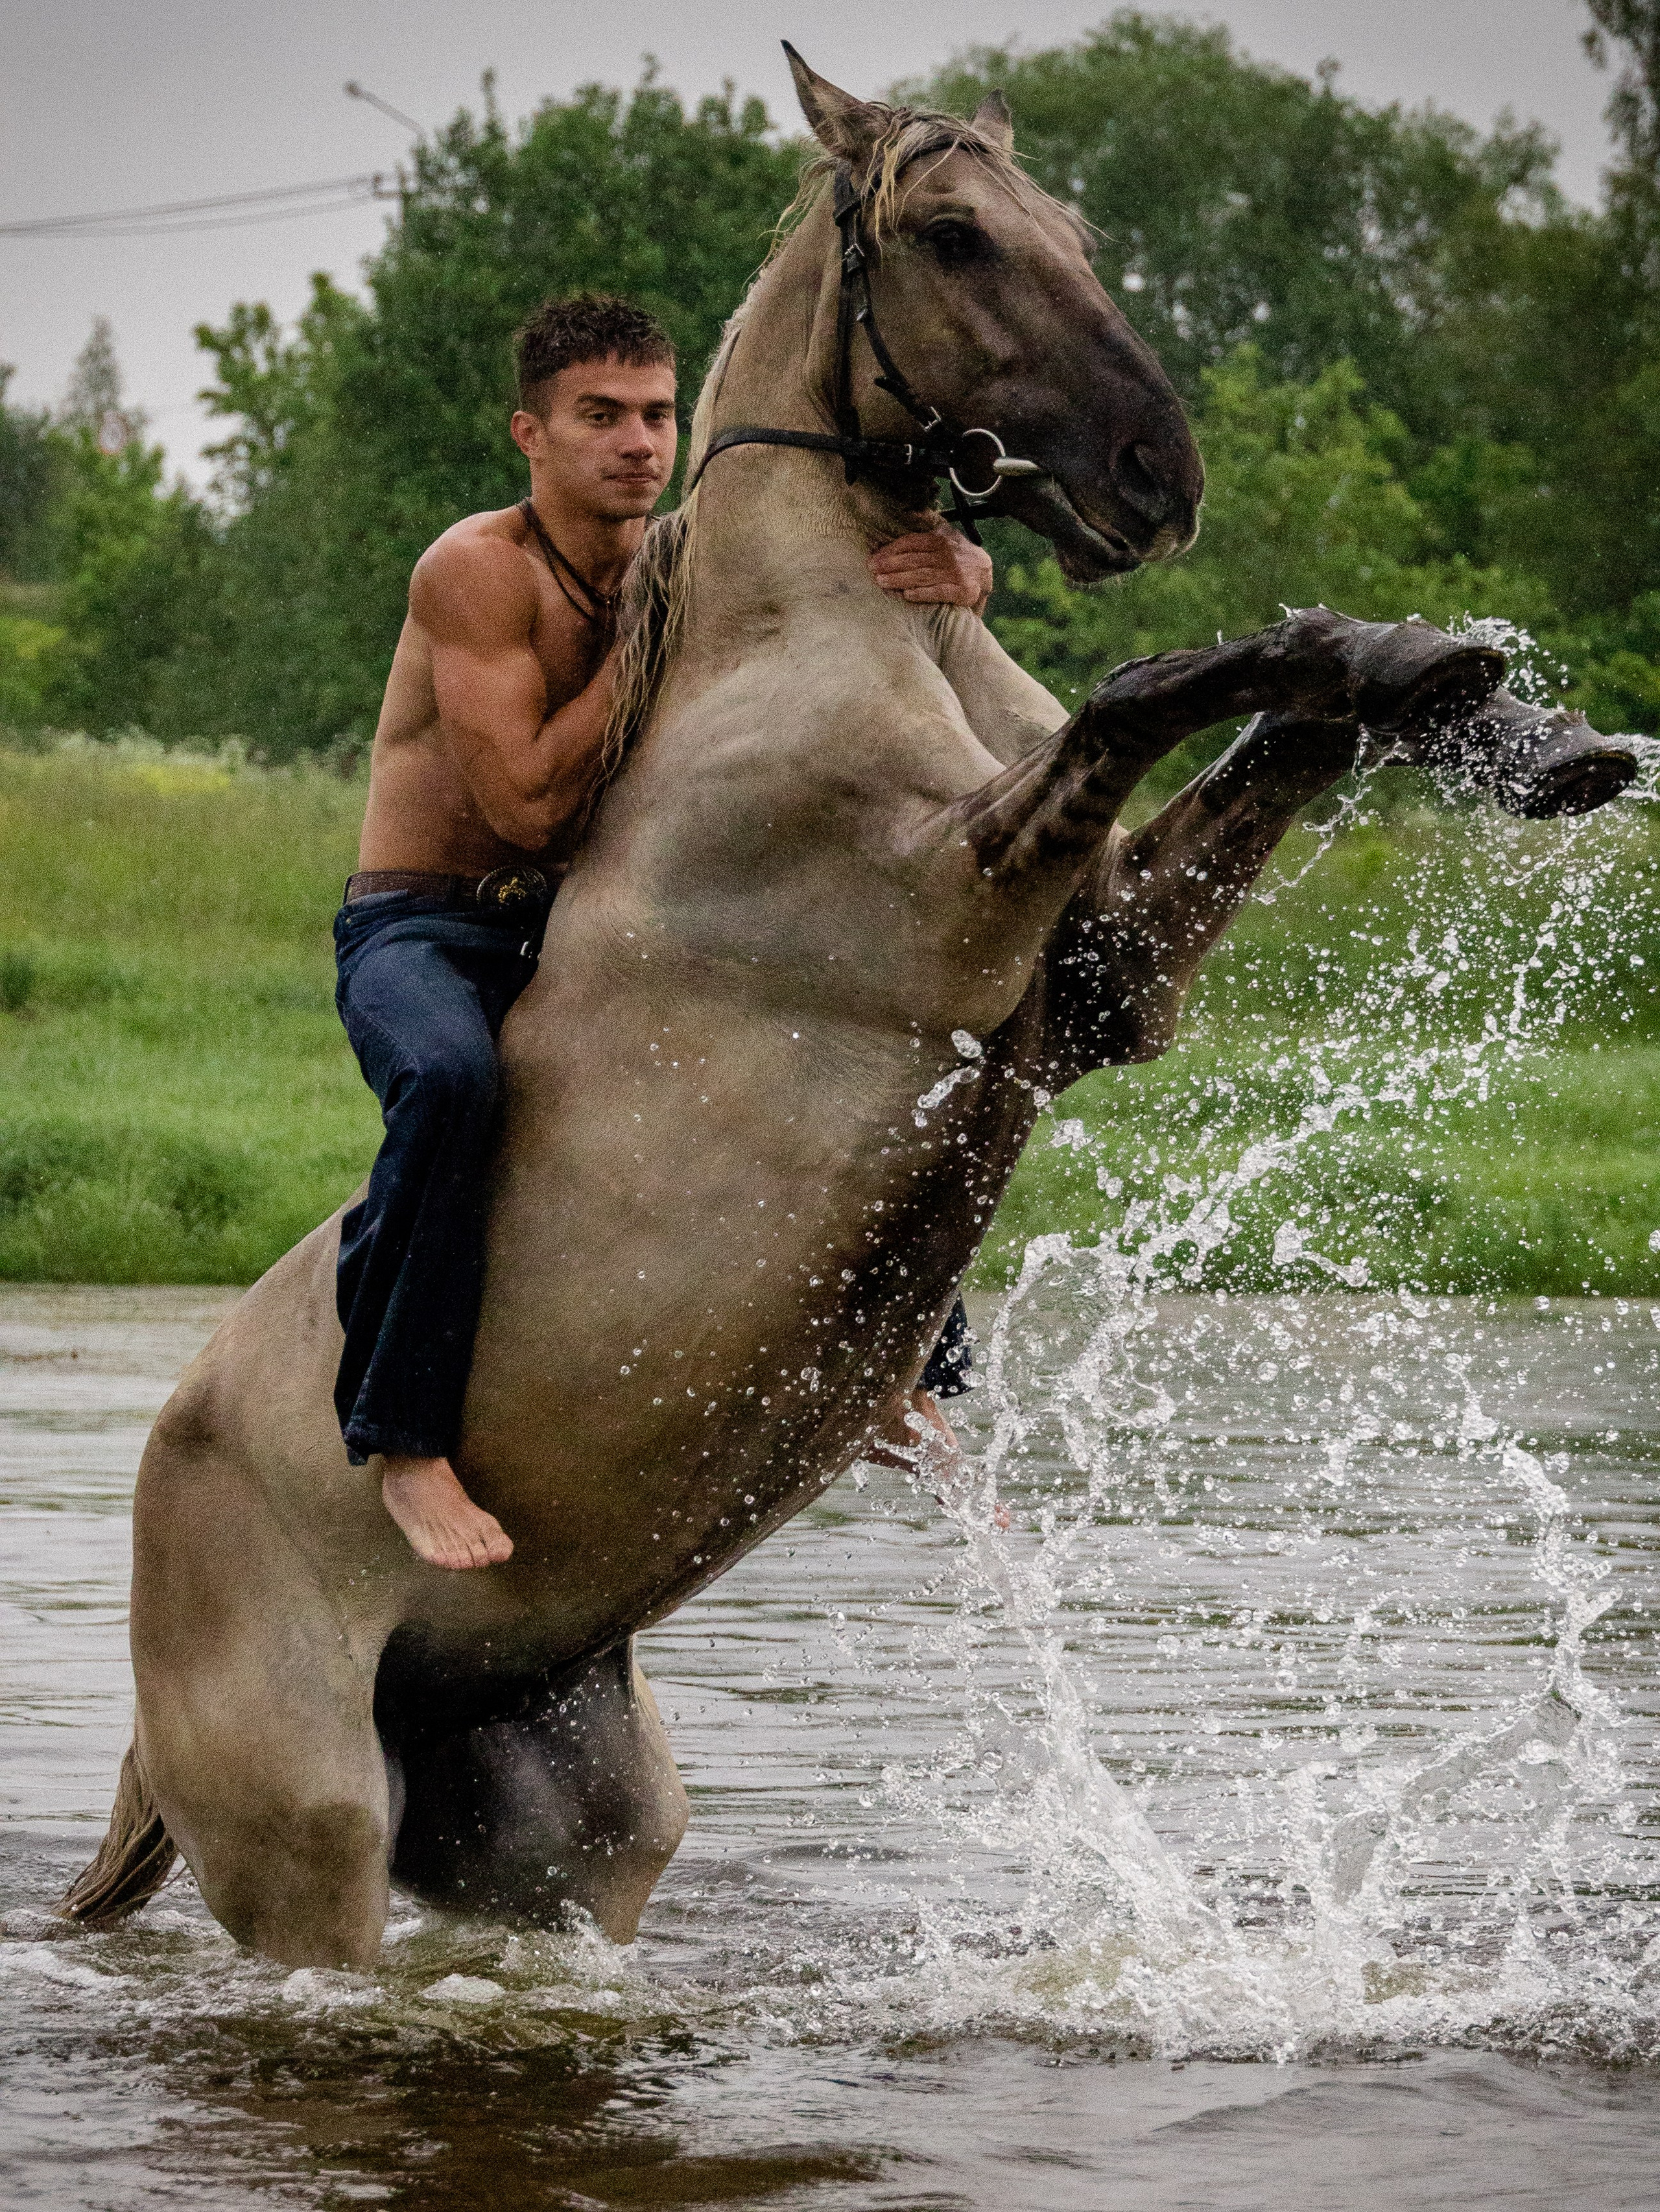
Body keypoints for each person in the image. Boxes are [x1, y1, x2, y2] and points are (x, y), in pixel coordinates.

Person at [335, 292, 995, 1571]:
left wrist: (964, 576)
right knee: (448, 1079)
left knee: (867, 1036)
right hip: (428, 928)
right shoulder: (478, 569)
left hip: (590, 925)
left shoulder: (697, 546)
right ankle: (403, 1445)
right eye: (599, 418)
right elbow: (524, 805)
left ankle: (899, 1379)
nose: (637, 443)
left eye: (655, 413)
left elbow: (869, 603)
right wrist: (646, 627)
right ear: (530, 432)